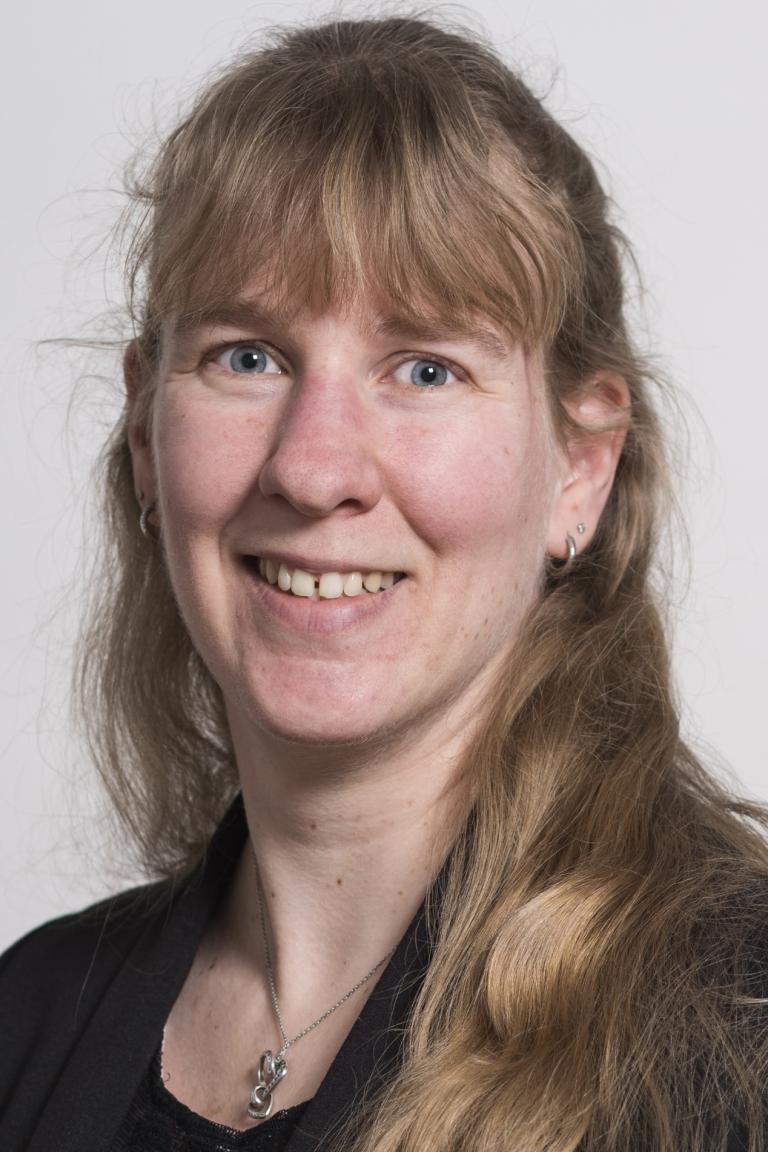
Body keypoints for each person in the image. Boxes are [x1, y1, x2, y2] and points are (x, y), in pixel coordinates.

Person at [1, 12, 766, 1152]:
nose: (314, 469)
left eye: (424, 367)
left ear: (580, 469)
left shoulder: (736, 1033)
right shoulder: (28, 1016)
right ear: (149, 438)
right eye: (246, 357)